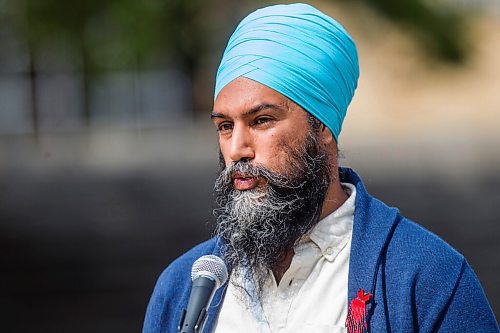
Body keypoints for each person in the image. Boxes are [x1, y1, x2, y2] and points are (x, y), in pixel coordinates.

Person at [143, 3, 498, 332]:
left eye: (262, 120)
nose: (237, 149)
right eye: (224, 126)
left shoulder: (425, 277)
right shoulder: (184, 288)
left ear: (322, 126)